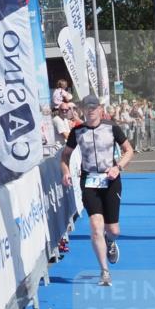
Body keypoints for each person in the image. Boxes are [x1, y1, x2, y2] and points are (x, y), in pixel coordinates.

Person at [60, 94, 134, 286]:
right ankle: (104, 271)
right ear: (82, 110)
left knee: (114, 230)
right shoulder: (77, 131)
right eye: (87, 107)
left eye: (94, 107)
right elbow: (65, 156)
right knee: (95, 226)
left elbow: (129, 150)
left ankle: (111, 241)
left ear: (100, 109)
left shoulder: (112, 127)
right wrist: (66, 172)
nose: (91, 110)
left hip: (111, 180)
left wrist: (118, 168)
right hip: (89, 181)